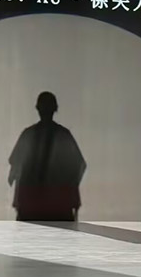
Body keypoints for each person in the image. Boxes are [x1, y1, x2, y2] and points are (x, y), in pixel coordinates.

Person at [8, 92, 87, 221]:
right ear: (55, 109)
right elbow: (79, 165)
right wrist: (71, 192)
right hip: (57, 205)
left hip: (34, 205)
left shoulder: (29, 135)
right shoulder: (63, 135)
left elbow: (15, 168)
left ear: (37, 109)